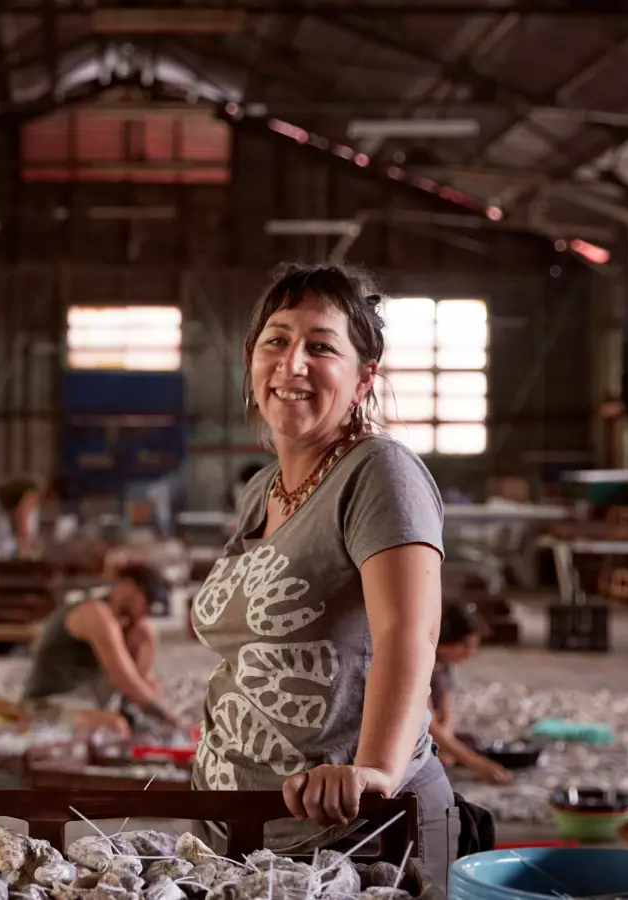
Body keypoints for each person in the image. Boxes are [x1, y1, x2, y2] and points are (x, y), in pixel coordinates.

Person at [188, 263, 457, 889]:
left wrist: (376, 773)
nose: (293, 363)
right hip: (241, 829)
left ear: (364, 378)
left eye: (321, 346)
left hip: (356, 837)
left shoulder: (379, 472)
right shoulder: (262, 490)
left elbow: (409, 634)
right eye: (275, 340)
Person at [23, 563, 186, 728]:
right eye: (148, 601)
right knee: (114, 726)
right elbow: (124, 679)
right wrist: (170, 719)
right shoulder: (96, 614)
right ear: (128, 586)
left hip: (90, 706)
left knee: (144, 633)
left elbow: (144, 681)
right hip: (47, 706)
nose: (147, 611)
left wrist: (162, 711)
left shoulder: (133, 627)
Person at [429, 601, 512, 785]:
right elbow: (427, 724)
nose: (470, 653)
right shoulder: (422, 665)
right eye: (465, 645)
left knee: (474, 743)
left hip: (433, 736)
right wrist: (477, 764)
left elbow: (446, 714)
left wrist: (446, 743)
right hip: (416, 733)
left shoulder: (443, 667)